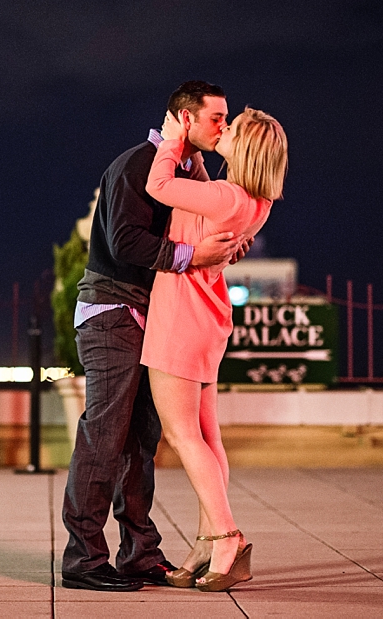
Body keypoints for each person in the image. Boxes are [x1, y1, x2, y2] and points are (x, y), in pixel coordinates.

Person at [61, 81, 250, 592]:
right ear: (185, 119)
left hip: (158, 318)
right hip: (113, 312)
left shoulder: (189, 172)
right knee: (105, 434)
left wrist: (227, 244)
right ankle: (83, 558)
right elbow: (124, 242)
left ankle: (140, 554)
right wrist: (192, 256)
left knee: (141, 441)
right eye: (217, 118)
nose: (224, 128)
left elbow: (192, 233)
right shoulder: (138, 164)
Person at [142, 106, 288, 591]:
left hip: (182, 315)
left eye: (232, 129)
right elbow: (204, 208)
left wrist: (171, 139)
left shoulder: (225, 196)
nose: (222, 130)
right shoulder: (254, 200)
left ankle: (226, 537)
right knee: (206, 433)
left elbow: (158, 186)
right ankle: (209, 537)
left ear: (244, 149)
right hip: (208, 317)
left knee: (182, 434)